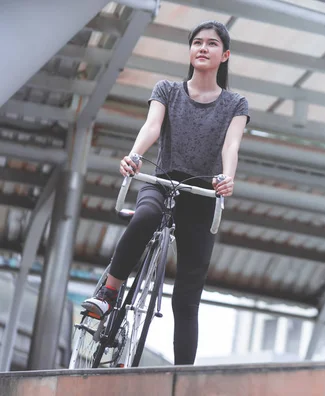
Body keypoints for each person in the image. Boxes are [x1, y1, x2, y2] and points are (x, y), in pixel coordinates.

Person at [81, 20, 249, 365]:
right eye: (197, 42)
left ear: (225, 55)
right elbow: (151, 126)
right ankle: (109, 292)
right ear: (190, 50)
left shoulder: (235, 103)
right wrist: (135, 156)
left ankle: (182, 378)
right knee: (144, 216)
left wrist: (226, 179)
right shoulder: (168, 90)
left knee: (187, 297)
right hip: (163, 181)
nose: (203, 48)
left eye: (212, 44)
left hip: (202, 193)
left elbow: (231, 146)